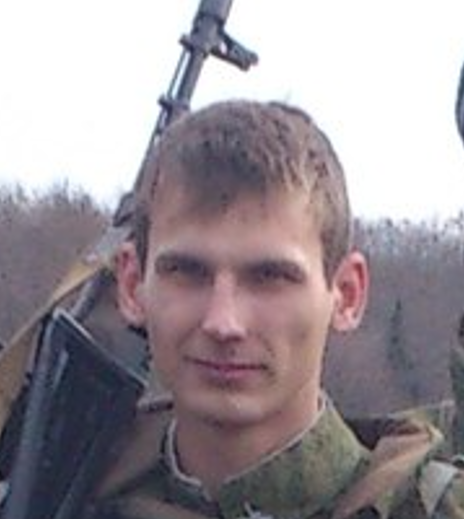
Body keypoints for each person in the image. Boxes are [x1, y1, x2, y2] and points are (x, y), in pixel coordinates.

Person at [87, 99, 464, 518]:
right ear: (132, 286)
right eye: (188, 273)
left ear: (347, 294)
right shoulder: (59, 489)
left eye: (269, 278)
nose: (223, 323)